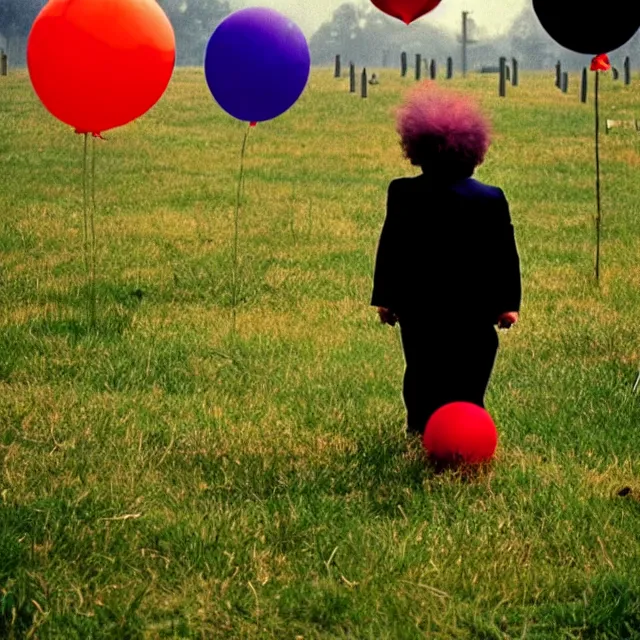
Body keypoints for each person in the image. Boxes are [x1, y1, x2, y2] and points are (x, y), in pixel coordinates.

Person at [371, 82, 522, 437]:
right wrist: (507, 304)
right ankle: (467, 427)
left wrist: (386, 299)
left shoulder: (404, 193)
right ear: (474, 150)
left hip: (419, 309)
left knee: (421, 370)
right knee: (470, 375)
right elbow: (505, 254)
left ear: (417, 149)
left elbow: (390, 247)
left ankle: (420, 427)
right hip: (475, 310)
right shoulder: (490, 198)